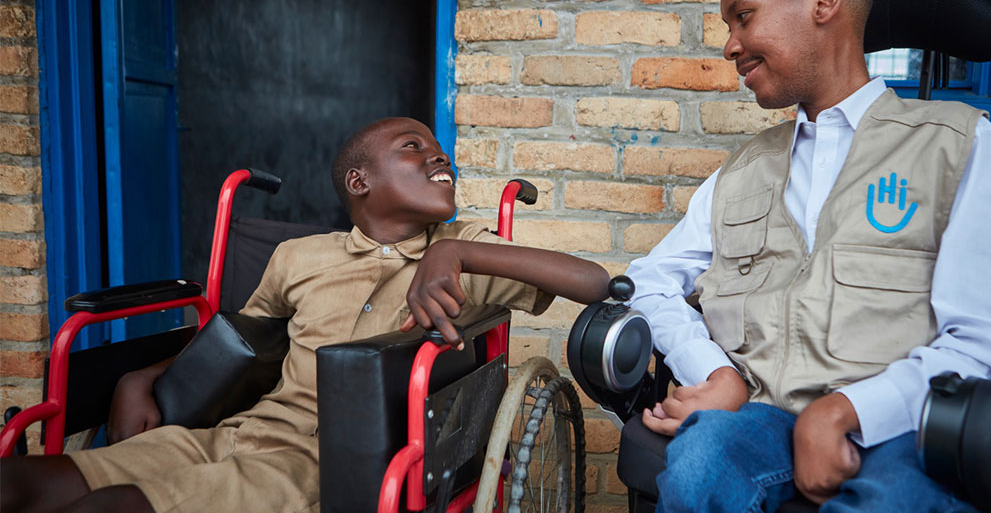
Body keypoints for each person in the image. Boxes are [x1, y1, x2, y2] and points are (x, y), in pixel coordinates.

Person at [625, 0, 991, 512]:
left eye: (744, 16)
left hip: (898, 426)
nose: (730, 44)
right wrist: (717, 375)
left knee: (895, 500)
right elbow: (648, 284)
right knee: (701, 463)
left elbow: (986, 340)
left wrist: (844, 411)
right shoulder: (743, 169)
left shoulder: (955, 143)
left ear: (823, 0)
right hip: (760, 417)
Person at [1, 117, 611, 513]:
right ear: (359, 180)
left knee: (106, 510)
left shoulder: (464, 253)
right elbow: (242, 341)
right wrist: (144, 376)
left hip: (324, 466)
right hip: (234, 433)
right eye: (413, 147)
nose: (437, 155)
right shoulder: (298, 258)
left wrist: (455, 249)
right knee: (19, 485)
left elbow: (595, 281)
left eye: (438, 147)